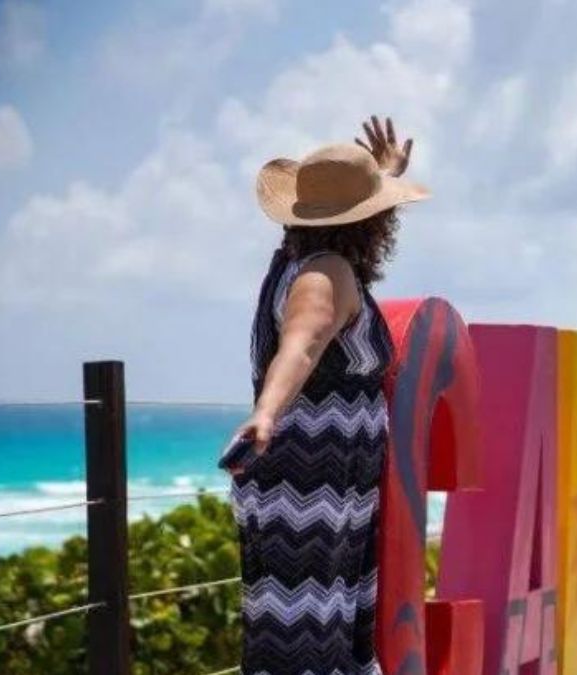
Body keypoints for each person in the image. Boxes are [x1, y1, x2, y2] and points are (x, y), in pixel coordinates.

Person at [226, 116, 426, 674]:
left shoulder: (297, 263)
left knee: (317, 633)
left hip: (327, 485)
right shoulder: (326, 276)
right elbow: (302, 345)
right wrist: (265, 411)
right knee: (306, 639)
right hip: (312, 485)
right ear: (372, 224)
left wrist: (380, 175)